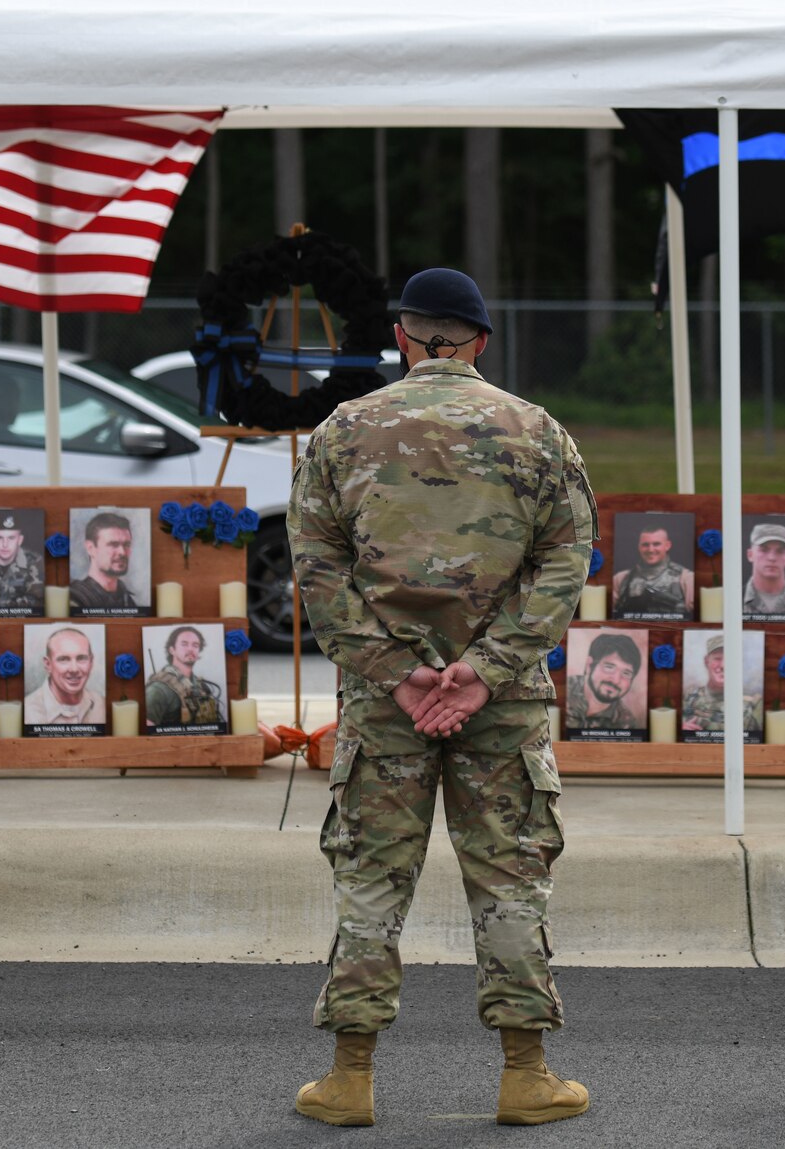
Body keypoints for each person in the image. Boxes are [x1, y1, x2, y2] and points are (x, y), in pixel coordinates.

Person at [289, 266, 595, 1128]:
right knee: (509, 876)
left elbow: (315, 567)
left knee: (371, 877)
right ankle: (525, 1073)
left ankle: (349, 1077)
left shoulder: (344, 431)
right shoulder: (537, 431)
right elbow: (566, 562)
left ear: (403, 336)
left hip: (388, 705)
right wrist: (486, 669)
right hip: (499, 703)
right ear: (481, 342)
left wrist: (397, 671)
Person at [144, 626, 223, 729]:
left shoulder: (202, 686)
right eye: (184, 644)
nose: (190, 649)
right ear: (172, 650)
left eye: (195, 645)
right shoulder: (158, 690)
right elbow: (149, 736)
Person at [565, 633, 644, 733]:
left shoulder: (626, 723)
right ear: (589, 665)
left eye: (626, 673)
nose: (616, 680)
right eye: (609, 667)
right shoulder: (562, 691)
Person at [611, 523, 693, 618]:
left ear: (667, 545)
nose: (650, 549)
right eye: (645, 545)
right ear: (639, 547)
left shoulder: (686, 578)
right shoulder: (621, 579)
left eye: (656, 544)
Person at [683, 639, 763, 736]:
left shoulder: (754, 704)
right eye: (717, 658)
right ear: (706, 661)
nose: (723, 665)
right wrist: (683, 731)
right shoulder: (688, 697)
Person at [26, 627, 105, 727]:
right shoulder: (27, 713)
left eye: (81, 658)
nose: (74, 669)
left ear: (91, 662)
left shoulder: (102, 706)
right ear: (48, 664)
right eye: (64, 659)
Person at [71, 512, 140, 613]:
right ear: (91, 548)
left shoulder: (128, 600)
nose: (122, 552)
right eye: (113, 544)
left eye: (127, 545)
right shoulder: (76, 598)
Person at [741, 523, 785, 619]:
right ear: (750, 555)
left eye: (780, 551)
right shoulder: (732, 601)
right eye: (763, 550)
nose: (772, 558)